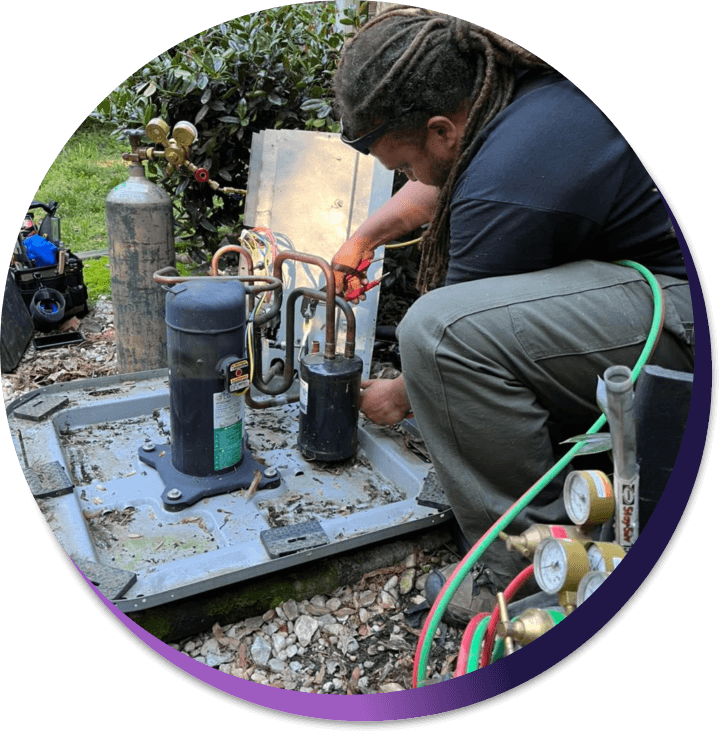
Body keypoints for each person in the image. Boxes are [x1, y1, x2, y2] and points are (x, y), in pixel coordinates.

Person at [330, 7, 694, 613]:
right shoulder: (515, 96)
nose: (407, 179)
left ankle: (521, 575)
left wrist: (382, 398)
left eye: (401, 167)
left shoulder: (506, 184)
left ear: (443, 130)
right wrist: (363, 238)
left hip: (685, 310)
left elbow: (446, 352)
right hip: (671, 276)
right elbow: (442, 176)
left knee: (440, 338)